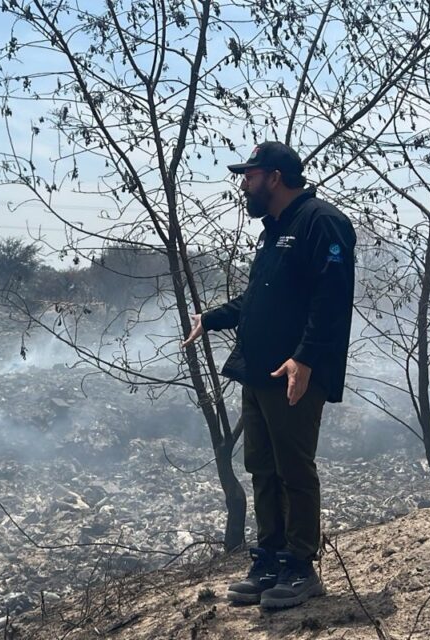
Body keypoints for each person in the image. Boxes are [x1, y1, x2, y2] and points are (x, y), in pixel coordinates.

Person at [182, 141, 356, 608]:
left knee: (294, 469)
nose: (244, 183)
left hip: (294, 374)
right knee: (262, 467)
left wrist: (305, 358)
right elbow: (260, 299)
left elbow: (332, 303)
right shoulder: (273, 229)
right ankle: (271, 558)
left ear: (274, 178)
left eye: (250, 175)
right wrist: (213, 317)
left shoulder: (323, 223)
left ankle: (301, 567)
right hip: (258, 373)